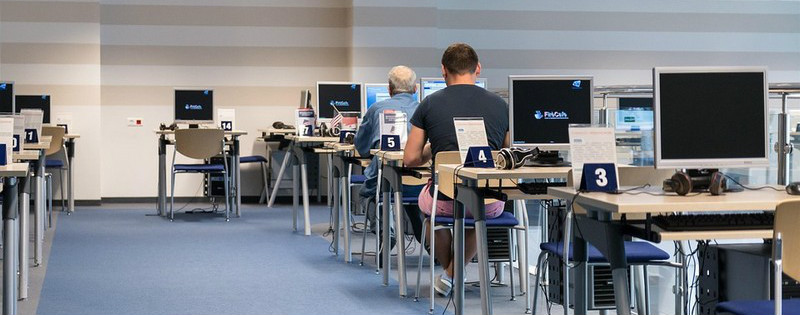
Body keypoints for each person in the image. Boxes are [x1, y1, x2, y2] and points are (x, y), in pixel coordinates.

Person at [403, 43, 510, 296]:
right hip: (490, 199)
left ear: (443, 71)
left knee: (431, 218)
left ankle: (451, 273)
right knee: (477, 216)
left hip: (445, 199)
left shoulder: (429, 104)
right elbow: (509, 152)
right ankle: (454, 273)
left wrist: (433, 150)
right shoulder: (501, 104)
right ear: (478, 69)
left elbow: (410, 159)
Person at [355, 65, 425, 253]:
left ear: (389, 89)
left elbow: (361, 148)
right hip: (420, 182)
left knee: (367, 194)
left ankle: (386, 231)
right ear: (416, 89)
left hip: (384, 181)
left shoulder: (377, 109)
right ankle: (427, 239)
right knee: (413, 198)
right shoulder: (425, 110)